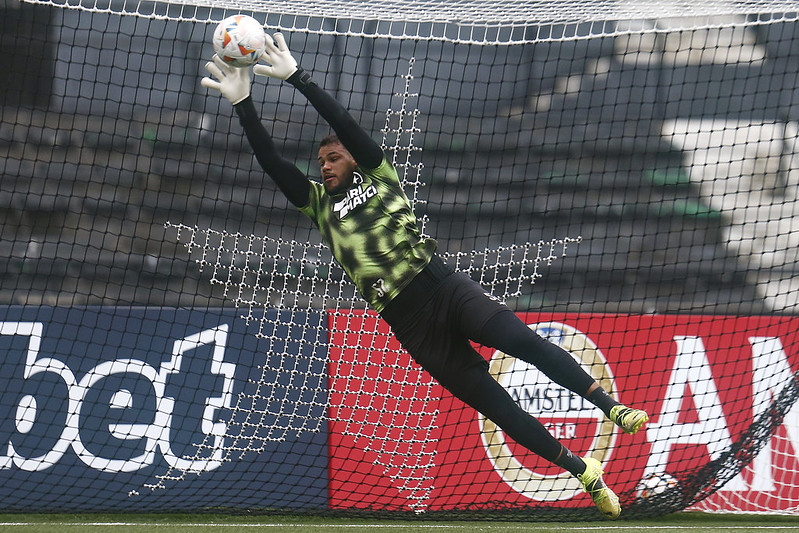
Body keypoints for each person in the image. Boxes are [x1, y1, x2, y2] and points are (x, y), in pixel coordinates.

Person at [201, 32, 649, 519]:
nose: (325, 165)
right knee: (497, 407)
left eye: (334, 158)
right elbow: (271, 164)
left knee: (524, 342)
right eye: (321, 161)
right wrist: (244, 104)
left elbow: (345, 123)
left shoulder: (378, 175)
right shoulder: (316, 204)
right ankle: (584, 473)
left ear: (354, 158)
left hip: (444, 288)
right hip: (409, 322)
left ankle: (610, 406)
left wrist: (299, 80)